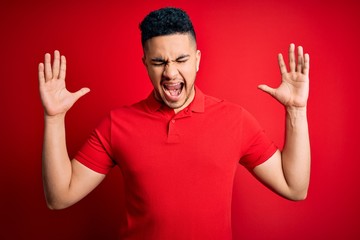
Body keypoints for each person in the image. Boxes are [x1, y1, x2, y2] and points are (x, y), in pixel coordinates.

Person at [38, 7, 310, 239]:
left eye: (181, 59)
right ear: (145, 63)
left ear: (198, 60)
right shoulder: (117, 123)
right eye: (158, 62)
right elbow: (59, 197)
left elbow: (294, 187)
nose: (170, 72)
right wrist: (54, 118)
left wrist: (296, 110)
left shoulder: (234, 119)